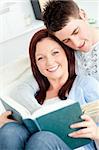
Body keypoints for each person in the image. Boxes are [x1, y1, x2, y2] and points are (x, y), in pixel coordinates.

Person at [0, 29, 99, 150]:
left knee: (42, 139)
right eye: (41, 58)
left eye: (55, 52)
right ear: (35, 64)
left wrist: (97, 134)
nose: (49, 62)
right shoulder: (33, 95)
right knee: (10, 131)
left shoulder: (86, 86)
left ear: (67, 54)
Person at [43, 0, 99, 81]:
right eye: (66, 40)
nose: (76, 44)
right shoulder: (64, 52)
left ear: (83, 15)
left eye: (76, 32)